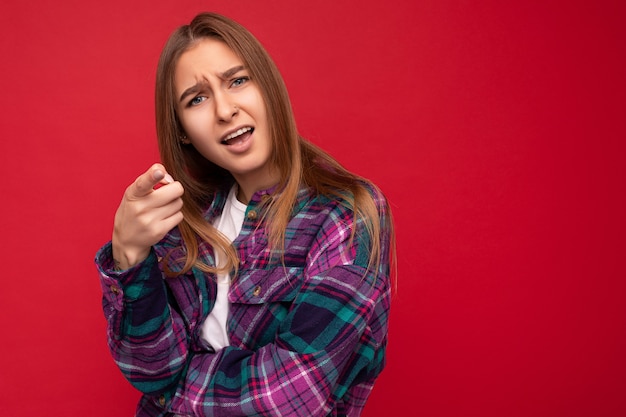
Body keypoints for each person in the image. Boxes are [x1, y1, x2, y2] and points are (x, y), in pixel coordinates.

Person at [95, 12, 395, 417]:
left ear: (267, 87)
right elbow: (150, 369)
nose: (224, 110)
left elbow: (294, 396)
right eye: (196, 99)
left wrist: (171, 394)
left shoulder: (347, 213)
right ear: (182, 129)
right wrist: (129, 255)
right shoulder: (181, 220)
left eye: (238, 80)